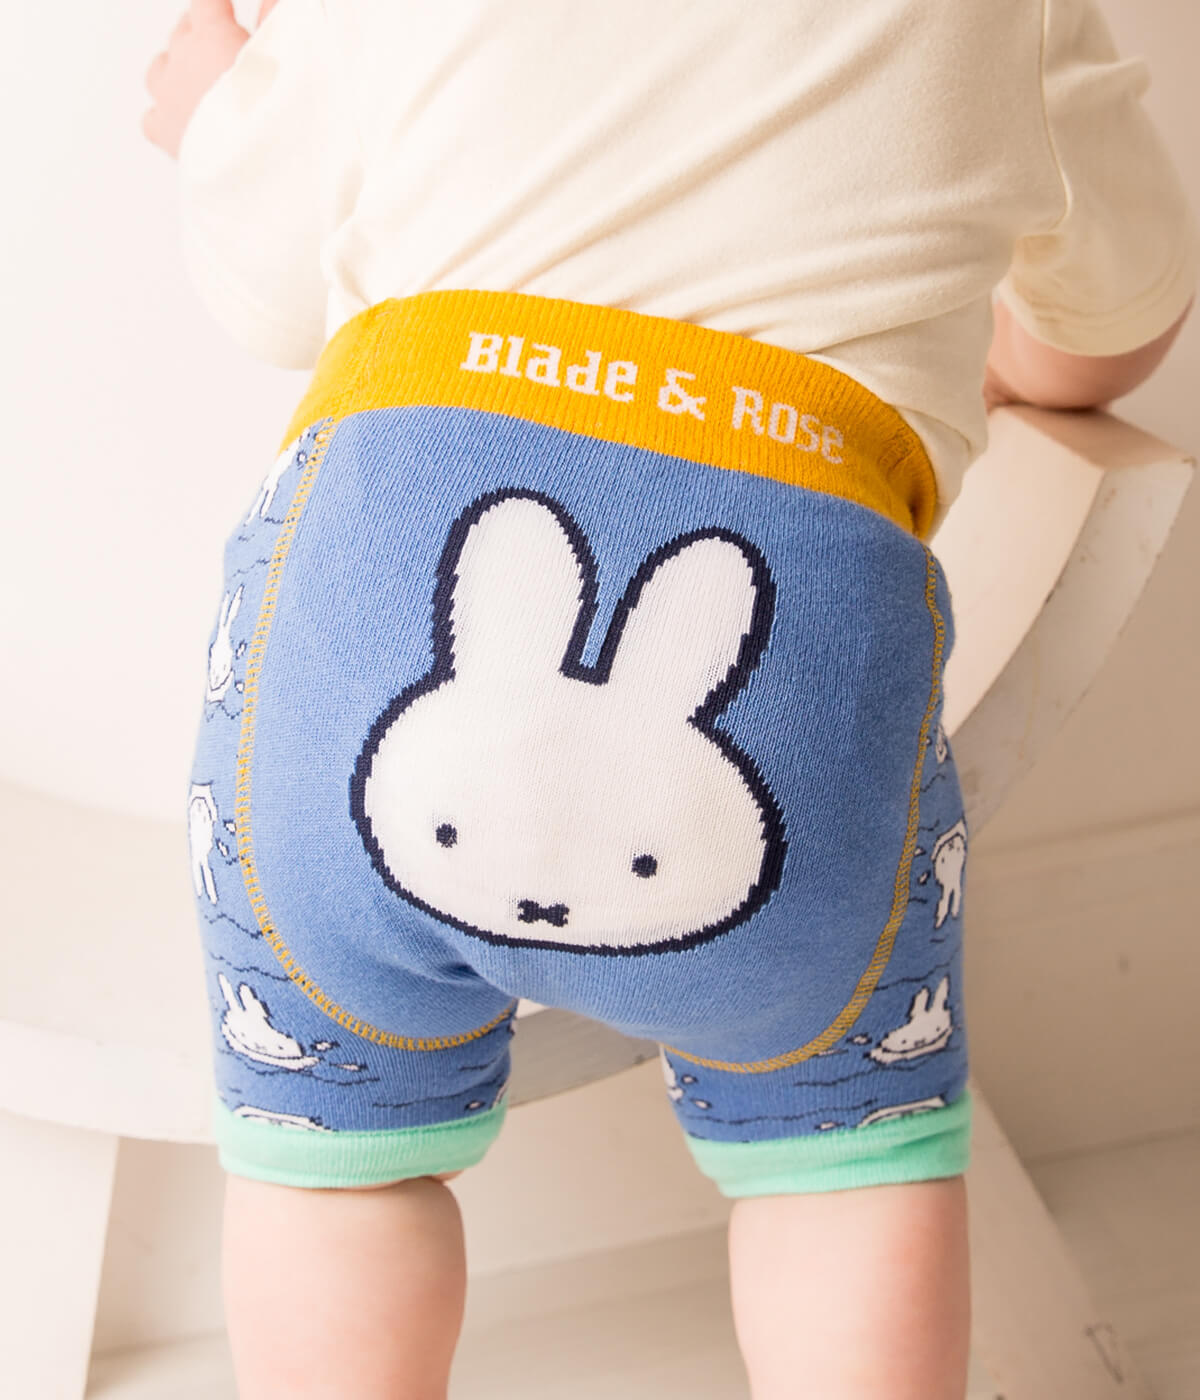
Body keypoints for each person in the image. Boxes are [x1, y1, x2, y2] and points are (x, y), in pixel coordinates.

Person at [143, 3, 1196, 1397]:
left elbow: (268, 294)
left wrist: (218, 122)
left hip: (376, 606)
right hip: (799, 632)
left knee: (333, 1179)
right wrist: (1015, 361)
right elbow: (1124, 313)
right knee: (843, 1173)